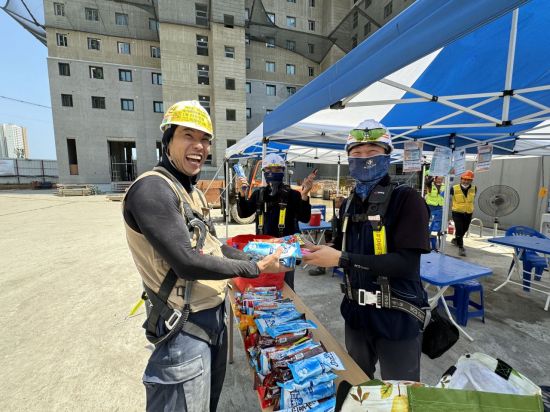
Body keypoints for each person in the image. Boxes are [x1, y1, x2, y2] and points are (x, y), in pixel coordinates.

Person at [122, 100, 289, 412]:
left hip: (213, 319)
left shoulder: (192, 192)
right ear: (168, 140)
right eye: (188, 136)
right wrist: (253, 268)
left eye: (205, 140)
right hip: (182, 328)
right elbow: (186, 262)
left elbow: (214, 246)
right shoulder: (152, 190)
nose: (199, 146)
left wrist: (253, 256)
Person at [302, 119, 431, 381]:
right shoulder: (349, 202)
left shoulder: (407, 199)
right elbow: (342, 247)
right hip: (356, 315)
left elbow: (406, 263)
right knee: (359, 384)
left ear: (387, 155)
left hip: (397, 317)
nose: (364, 158)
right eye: (357, 153)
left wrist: (343, 259)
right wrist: (318, 250)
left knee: (399, 393)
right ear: (349, 159)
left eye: (372, 151)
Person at [236, 153, 314, 290]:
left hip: (286, 250)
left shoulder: (292, 195)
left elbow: (304, 218)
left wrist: (304, 195)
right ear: (264, 172)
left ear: (283, 171)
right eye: (269, 169)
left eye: (277, 169)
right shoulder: (259, 194)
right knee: (263, 285)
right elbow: (243, 214)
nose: (273, 173)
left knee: (286, 287)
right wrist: (242, 195)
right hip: (262, 249)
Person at [451, 170, 476, 257]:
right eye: (464, 179)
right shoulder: (454, 188)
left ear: (471, 180)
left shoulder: (474, 188)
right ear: (461, 179)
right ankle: (461, 247)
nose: (466, 181)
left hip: (468, 212)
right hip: (457, 212)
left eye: (468, 180)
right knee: (459, 229)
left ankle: (456, 239)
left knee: (465, 229)